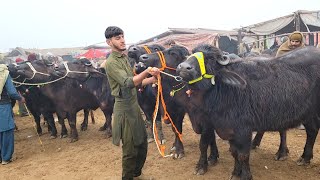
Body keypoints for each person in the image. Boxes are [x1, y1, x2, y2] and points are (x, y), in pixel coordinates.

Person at [104, 26, 160, 180]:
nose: (122, 40)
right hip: (124, 110)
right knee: (130, 151)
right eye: (117, 38)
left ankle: (136, 174)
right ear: (109, 42)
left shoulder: (124, 59)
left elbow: (137, 83)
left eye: (122, 36)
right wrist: (147, 71)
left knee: (142, 145)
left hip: (134, 108)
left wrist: (154, 79)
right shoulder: (111, 63)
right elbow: (128, 82)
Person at [0, 64, 25, 165]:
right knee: (7, 130)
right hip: (3, 107)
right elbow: (12, 92)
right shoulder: (5, 74)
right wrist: (20, 98)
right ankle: (6, 158)